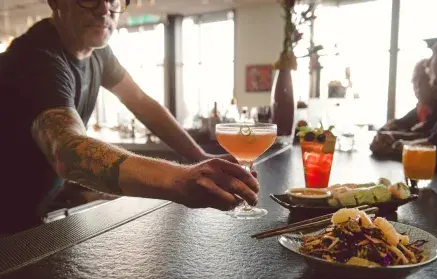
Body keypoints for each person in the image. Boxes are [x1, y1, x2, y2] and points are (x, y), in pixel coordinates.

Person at [0, 0, 259, 235]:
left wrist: (199, 157)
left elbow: (141, 102)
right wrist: (180, 180)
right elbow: (67, 152)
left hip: (29, 211)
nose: (104, 10)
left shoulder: (98, 52)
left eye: (113, 0)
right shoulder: (35, 58)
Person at [370, 58, 437, 158]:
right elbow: (399, 123)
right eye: (414, 80)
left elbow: (436, 144)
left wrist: (393, 148)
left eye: (424, 79)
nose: (417, 86)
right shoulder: (423, 108)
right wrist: (385, 133)